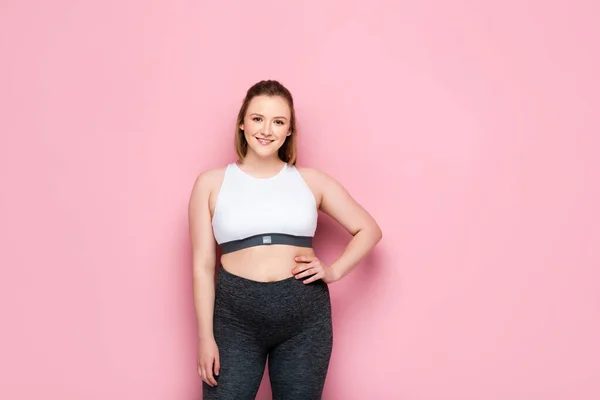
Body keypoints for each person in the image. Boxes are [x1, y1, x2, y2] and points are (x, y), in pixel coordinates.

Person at [188, 80, 382, 399]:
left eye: (279, 121)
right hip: (235, 319)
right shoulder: (210, 183)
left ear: (289, 130)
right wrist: (205, 338)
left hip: (304, 320)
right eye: (257, 118)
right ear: (242, 122)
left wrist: (333, 271)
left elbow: (369, 229)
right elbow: (202, 266)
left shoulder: (311, 181)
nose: (267, 130)